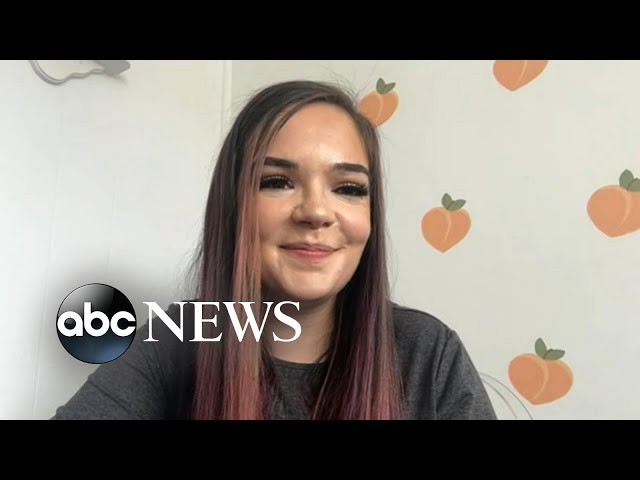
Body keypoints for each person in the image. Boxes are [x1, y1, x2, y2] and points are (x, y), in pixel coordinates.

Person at [52, 80, 497, 420]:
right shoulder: (174, 342)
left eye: (348, 188)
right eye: (277, 181)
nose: (316, 212)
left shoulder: (428, 355)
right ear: (234, 208)